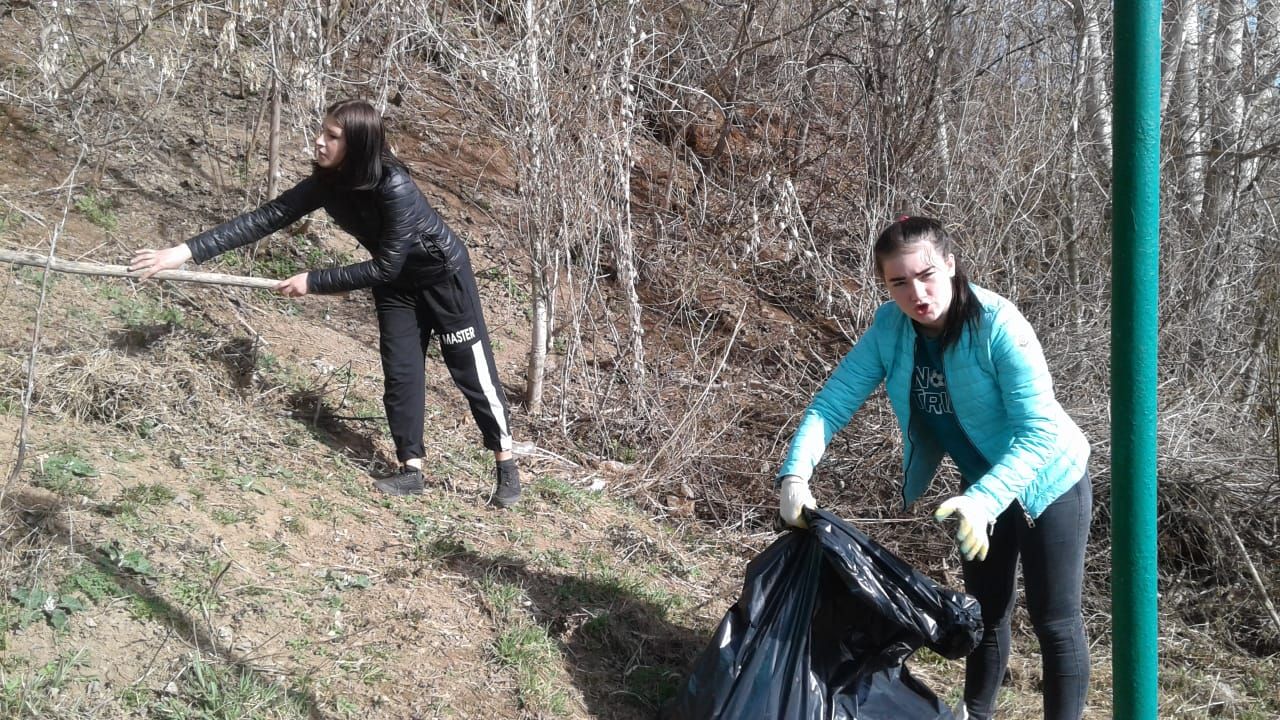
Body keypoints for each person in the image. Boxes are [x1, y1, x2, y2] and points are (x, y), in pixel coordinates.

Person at [774, 216, 1091, 720]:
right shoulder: (891, 328)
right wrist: (795, 474)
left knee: (1054, 621)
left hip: (1047, 481)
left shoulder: (998, 324)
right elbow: (831, 405)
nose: (916, 293)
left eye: (926, 275)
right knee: (985, 614)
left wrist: (984, 500)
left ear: (950, 264)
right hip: (977, 492)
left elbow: (1041, 431)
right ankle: (977, 714)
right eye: (898, 282)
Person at [131, 99, 521, 506]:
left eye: (332, 137)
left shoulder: (394, 186)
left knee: (471, 372)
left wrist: (314, 281)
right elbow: (268, 217)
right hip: (396, 287)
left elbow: (386, 264)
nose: (319, 142)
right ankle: (411, 469)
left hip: (443, 280)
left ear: (359, 145)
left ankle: (506, 466)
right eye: (323, 132)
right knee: (402, 374)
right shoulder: (328, 183)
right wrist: (183, 252)